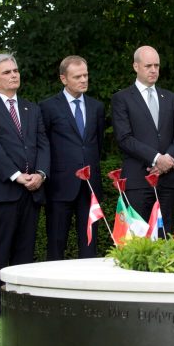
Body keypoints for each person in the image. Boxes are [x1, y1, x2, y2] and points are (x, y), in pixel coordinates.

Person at [0, 54, 49, 316]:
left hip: (32, 190)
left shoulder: (31, 108)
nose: (14, 75)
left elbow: (43, 144)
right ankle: (0, 304)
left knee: (25, 251)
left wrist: (41, 174)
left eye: (15, 70)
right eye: (7, 72)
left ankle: (21, 303)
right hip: (1, 192)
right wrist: (16, 175)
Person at [111, 46, 174, 234]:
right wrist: (157, 159)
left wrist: (167, 161)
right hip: (138, 180)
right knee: (138, 239)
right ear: (136, 66)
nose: (153, 70)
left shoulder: (170, 98)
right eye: (148, 66)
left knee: (165, 237)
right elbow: (124, 138)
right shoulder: (122, 98)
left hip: (167, 180)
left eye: (157, 66)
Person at [40, 56, 105, 259]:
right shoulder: (48, 107)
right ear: (63, 79)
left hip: (90, 186)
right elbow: (43, 145)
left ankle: (88, 280)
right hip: (60, 186)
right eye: (77, 76)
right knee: (56, 243)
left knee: (89, 245)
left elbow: (97, 143)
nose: (83, 80)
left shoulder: (96, 107)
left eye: (85, 75)